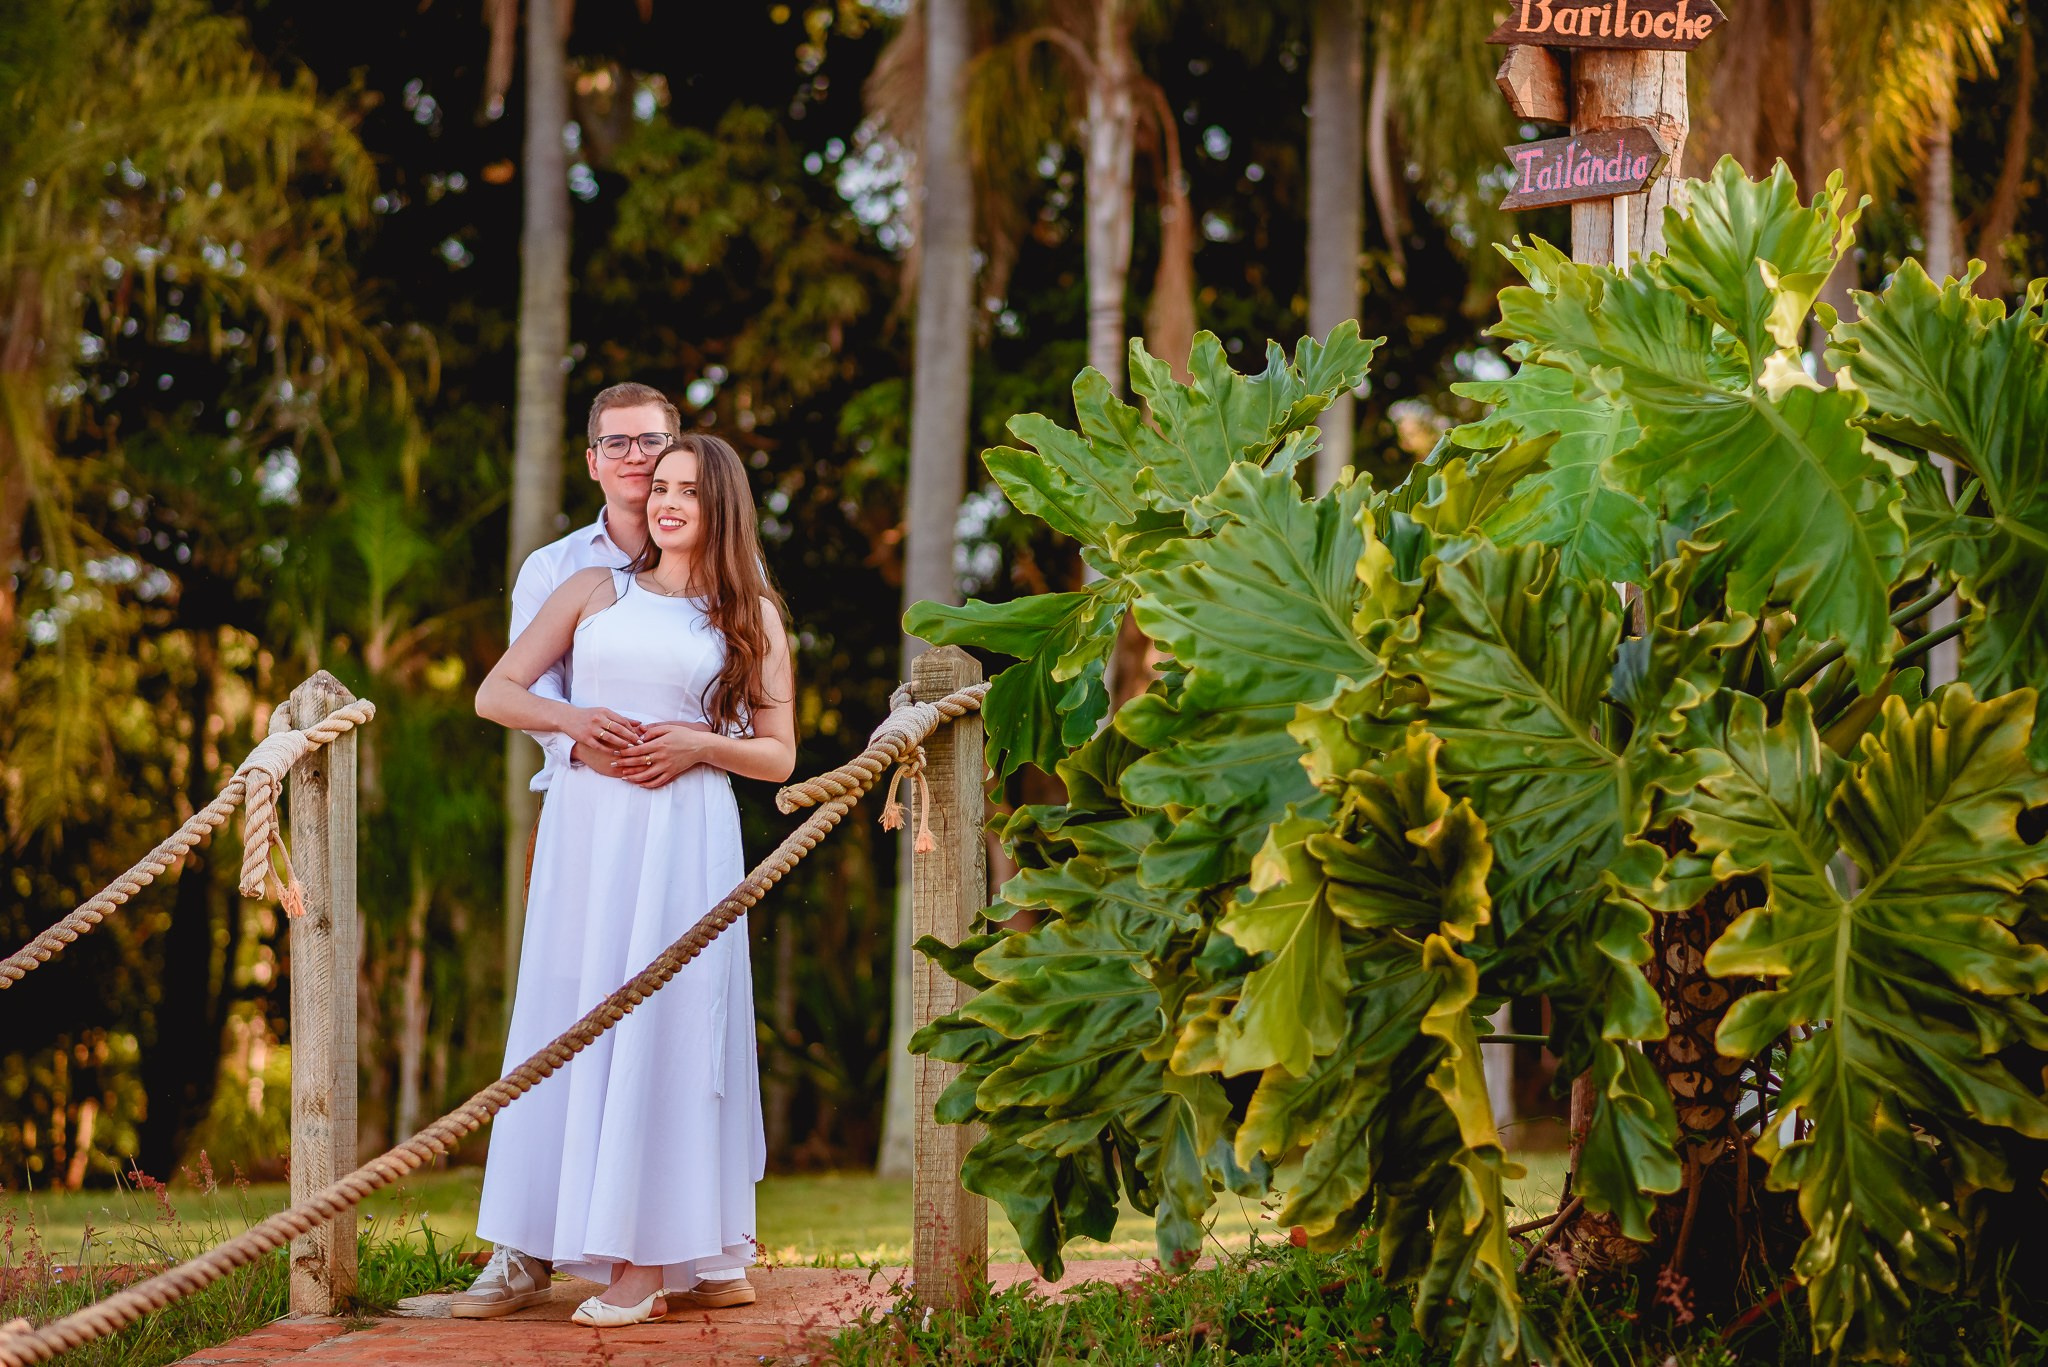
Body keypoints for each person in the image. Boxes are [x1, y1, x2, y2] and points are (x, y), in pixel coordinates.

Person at [462, 430, 795, 1327]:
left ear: (722, 505)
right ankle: (575, 1237)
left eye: (689, 489)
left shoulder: (751, 614)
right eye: (662, 488)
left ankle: (650, 1261)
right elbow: (497, 692)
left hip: (684, 834)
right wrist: (577, 724)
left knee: (671, 1022)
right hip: (588, 833)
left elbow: (779, 753)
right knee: (578, 1013)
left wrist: (700, 744)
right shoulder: (592, 589)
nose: (668, 502)